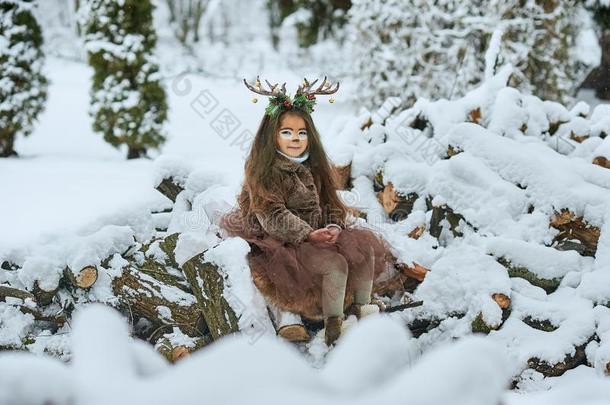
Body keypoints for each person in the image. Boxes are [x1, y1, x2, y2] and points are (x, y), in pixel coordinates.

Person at [219, 77, 394, 346]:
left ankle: (362, 308)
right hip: (282, 240)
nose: (295, 139)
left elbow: (328, 203)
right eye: (286, 132)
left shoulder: (312, 166)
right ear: (272, 136)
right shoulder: (266, 171)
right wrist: (308, 235)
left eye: (302, 133)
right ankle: (334, 326)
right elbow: (272, 215)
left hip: (315, 234)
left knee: (364, 250)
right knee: (335, 265)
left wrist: (334, 225)